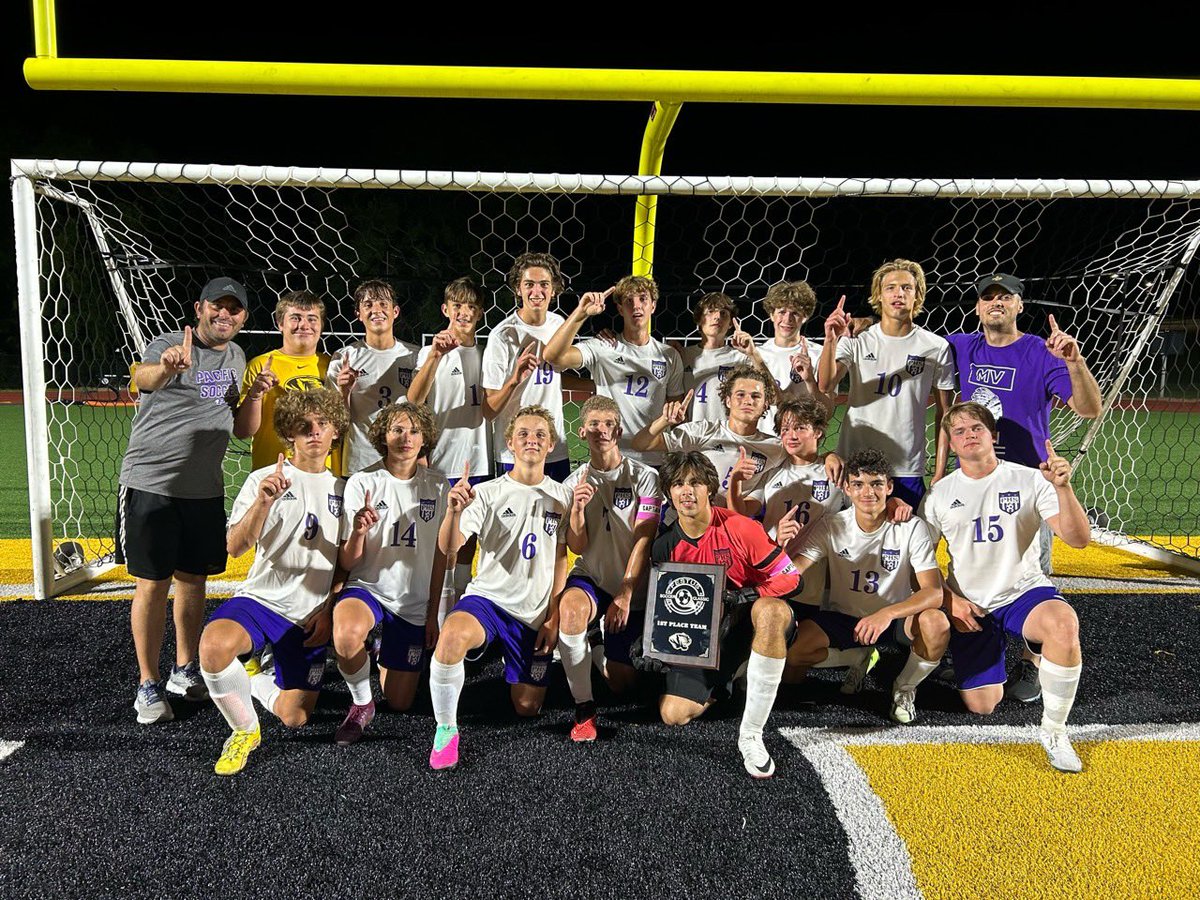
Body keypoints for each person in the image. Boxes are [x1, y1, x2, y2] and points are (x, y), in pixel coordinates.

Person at [946, 272, 1102, 702]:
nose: (996, 303)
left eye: (1006, 297)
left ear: (1019, 306)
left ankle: (1033, 662)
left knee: (1031, 574)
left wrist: (1074, 360)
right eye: (988, 297)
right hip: (975, 479)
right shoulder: (959, 346)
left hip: (1029, 484)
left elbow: (1089, 409)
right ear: (977, 307)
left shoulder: (1040, 352)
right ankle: (967, 642)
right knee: (971, 564)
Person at [116, 277, 259, 724]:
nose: (225, 315)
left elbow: (239, 424)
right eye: (218, 307)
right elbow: (140, 377)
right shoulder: (168, 343)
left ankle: (183, 668)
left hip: (203, 490)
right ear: (199, 308)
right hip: (152, 485)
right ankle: (147, 683)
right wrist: (167, 368)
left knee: (194, 581)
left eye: (234, 310)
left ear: (244, 318)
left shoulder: (236, 357)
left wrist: (253, 396)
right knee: (153, 585)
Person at [923, 402, 1091, 772]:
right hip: (971, 603)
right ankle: (993, 652)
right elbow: (920, 562)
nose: (969, 435)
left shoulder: (1030, 479)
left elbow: (1078, 539)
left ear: (992, 436)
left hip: (1022, 593)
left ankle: (1054, 731)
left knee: (1063, 625)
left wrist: (1064, 488)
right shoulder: (939, 494)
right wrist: (951, 601)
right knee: (982, 705)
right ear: (950, 444)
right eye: (960, 431)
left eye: (976, 429)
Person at [197, 388, 349, 775]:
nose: (314, 432)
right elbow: (234, 546)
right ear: (289, 436)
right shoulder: (264, 479)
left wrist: (329, 609)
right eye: (304, 427)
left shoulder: (347, 489)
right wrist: (263, 503)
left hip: (312, 611)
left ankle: (253, 676)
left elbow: (348, 564)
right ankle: (244, 731)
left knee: (295, 717)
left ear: (335, 431)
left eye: (322, 425)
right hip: (263, 601)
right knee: (214, 647)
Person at [428, 405, 573, 770]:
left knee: (527, 708)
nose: (531, 440)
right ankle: (446, 729)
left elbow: (560, 559)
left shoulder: (563, 496)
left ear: (551, 444)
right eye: (523, 434)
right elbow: (449, 547)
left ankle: (516, 656)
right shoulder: (487, 493)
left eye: (540, 434)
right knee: (451, 637)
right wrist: (453, 512)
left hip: (534, 613)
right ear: (509, 443)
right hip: (488, 601)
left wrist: (553, 617)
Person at [647, 452, 805, 779]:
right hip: (709, 634)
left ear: (710, 488)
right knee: (673, 714)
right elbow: (666, 603)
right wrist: (651, 643)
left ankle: (751, 735)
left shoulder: (741, 528)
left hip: (753, 620)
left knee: (770, 611)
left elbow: (792, 578)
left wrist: (747, 595)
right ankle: (729, 681)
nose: (686, 491)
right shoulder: (665, 545)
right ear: (669, 493)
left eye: (694, 483)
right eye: (677, 484)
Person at [786, 449, 948, 724]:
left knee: (936, 623)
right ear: (847, 488)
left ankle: (905, 688)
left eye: (876, 484)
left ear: (889, 487)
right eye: (858, 484)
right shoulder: (832, 525)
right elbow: (793, 571)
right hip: (844, 616)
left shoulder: (912, 527)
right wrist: (780, 547)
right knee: (794, 653)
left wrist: (887, 614)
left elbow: (933, 592)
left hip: (894, 619)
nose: (867, 492)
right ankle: (857, 657)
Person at [331, 401, 450, 745]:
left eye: (414, 431)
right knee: (346, 632)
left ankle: (380, 645)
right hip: (368, 588)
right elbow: (349, 562)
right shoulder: (362, 482)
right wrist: (357, 531)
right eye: (397, 429)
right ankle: (360, 704)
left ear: (425, 437)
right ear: (382, 435)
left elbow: (442, 557)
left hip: (412, 602)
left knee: (400, 702)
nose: (406, 438)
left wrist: (432, 616)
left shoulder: (439, 486)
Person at [558, 397, 661, 740]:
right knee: (569, 612)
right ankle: (584, 709)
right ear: (582, 430)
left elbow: (644, 538)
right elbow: (576, 546)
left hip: (633, 585)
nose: (600, 430)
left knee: (623, 684)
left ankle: (597, 644)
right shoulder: (572, 484)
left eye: (607, 424)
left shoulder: (645, 478)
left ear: (617, 431)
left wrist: (627, 589)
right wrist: (576, 511)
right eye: (593, 424)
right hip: (593, 576)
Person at [818, 259, 956, 508]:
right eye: (891, 287)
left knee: (906, 542)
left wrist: (939, 471)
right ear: (879, 295)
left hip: (906, 468)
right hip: (856, 463)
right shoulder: (856, 340)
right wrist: (831, 339)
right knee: (857, 544)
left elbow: (944, 414)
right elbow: (826, 385)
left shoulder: (935, 347)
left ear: (918, 295)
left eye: (907, 288)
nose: (899, 294)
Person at [407, 277, 492, 609]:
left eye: (471, 306)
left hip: (481, 462)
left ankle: (460, 608)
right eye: (457, 305)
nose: (464, 312)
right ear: (445, 309)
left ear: (480, 313)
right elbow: (413, 401)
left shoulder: (486, 355)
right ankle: (433, 615)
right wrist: (435, 358)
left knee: (468, 543)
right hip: (442, 463)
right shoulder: (432, 353)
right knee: (439, 543)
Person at [543, 274, 685, 467]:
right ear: (619, 309)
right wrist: (581, 314)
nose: (636, 306)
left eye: (643, 299)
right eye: (628, 301)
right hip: (609, 458)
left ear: (653, 306)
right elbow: (553, 356)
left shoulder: (669, 355)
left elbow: (675, 412)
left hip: (654, 459)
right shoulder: (603, 347)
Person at [480, 253, 584, 481]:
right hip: (514, 453)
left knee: (556, 515)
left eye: (544, 284)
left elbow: (553, 376)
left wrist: (594, 385)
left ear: (554, 290)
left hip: (553, 449)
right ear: (518, 289)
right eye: (529, 284)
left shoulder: (560, 325)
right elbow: (489, 410)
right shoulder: (502, 335)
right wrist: (515, 379)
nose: (536, 292)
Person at [632, 362, 788, 503]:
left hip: (728, 525)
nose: (747, 401)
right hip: (687, 520)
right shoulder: (703, 431)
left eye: (756, 396)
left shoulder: (776, 448)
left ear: (765, 404)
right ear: (728, 401)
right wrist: (664, 421)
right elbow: (640, 444)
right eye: (740, 395)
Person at [326, 280, 420, 475]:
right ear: (358, 314)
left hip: (405, 462)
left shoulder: (415, 357)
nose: (376, 310)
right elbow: (337, 423)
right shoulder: (344, 357)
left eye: (383, 304)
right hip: (360, 462)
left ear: (395, 312)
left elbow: (424, 412)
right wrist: (344, 392)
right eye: (368, 305)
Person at [240, 290, 335, 472]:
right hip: (273, 472)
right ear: (280, 324)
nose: (304, 325)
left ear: (322, 325)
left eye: (312, 318)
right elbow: (243, 431)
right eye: (296, 318)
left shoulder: (333, 365)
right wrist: (255, 395)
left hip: (323, 475)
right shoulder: (260, 365)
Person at [679, 292, 770, 424]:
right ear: (699, 320)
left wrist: (752, 354)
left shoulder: (741, 358)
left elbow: (770, 389)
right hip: (692, 436)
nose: (717, 317)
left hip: (727, 436)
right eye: (710, 312)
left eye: (723, 313)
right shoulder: (683, 355)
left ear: (731, 323)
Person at [755, 281, 830, 430]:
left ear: (805, 316)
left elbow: (827, 412)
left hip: (799, 443)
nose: (787, 319)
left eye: (795, 313)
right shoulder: (757, 355)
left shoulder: (819, 355)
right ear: (771, 314)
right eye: (782, 312)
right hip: (762, 442)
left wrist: (810, 381)